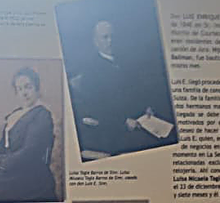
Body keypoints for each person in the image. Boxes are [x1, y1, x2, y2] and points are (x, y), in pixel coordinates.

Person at [70, 20, 171, 159]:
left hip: (141, 121)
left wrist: (146, 108)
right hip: (114, 129)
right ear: (95, 41)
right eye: (105, 37)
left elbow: (138, 91)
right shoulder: (91, 70)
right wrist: (123, 121)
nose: (110, 41)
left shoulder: (126, 61)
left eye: (113, 36)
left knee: (166, 140)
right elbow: (96, 108)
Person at [0, 67, 58, 203]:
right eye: (20, 89)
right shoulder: (15, 115)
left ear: (37, 88)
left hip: (29, 176)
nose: (24, 93)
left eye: (28, 87)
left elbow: (30, 152)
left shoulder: (42, 115)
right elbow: (2, 146)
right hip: (10, 170)